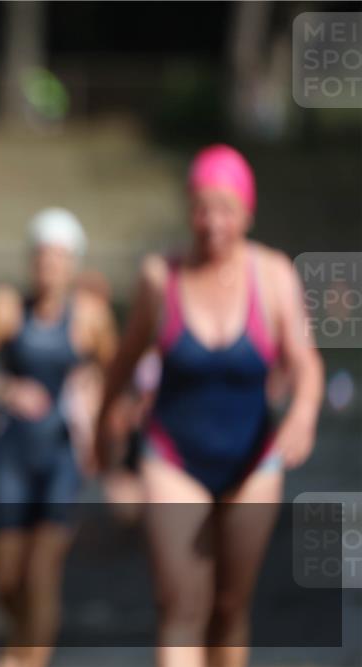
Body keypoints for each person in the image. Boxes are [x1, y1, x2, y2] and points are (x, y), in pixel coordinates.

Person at [96, 144, 324, 667]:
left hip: (255, 460)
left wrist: (305, 412)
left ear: (247, 212)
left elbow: (306, 362)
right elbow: (124, 361)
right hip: (172, 457)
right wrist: (102, 431)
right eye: (200, 206)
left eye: (224, 207)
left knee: (228, 607)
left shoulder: (273, 275)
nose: (211, 221)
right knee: (180, 605)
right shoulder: (161, 278)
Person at [0, 207, 117, 667]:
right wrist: (9, 388)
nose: (50, 266)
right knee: (6, 578)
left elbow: (115, 375)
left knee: (43, 571)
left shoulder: (91, 316)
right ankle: (18, 646)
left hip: (60, 459)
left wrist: (96, 418)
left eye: (60, 258)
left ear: (73, 265)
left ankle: (27, 659)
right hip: (7, 456)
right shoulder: (4, 308)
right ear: (31, 260)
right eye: (43, 257)